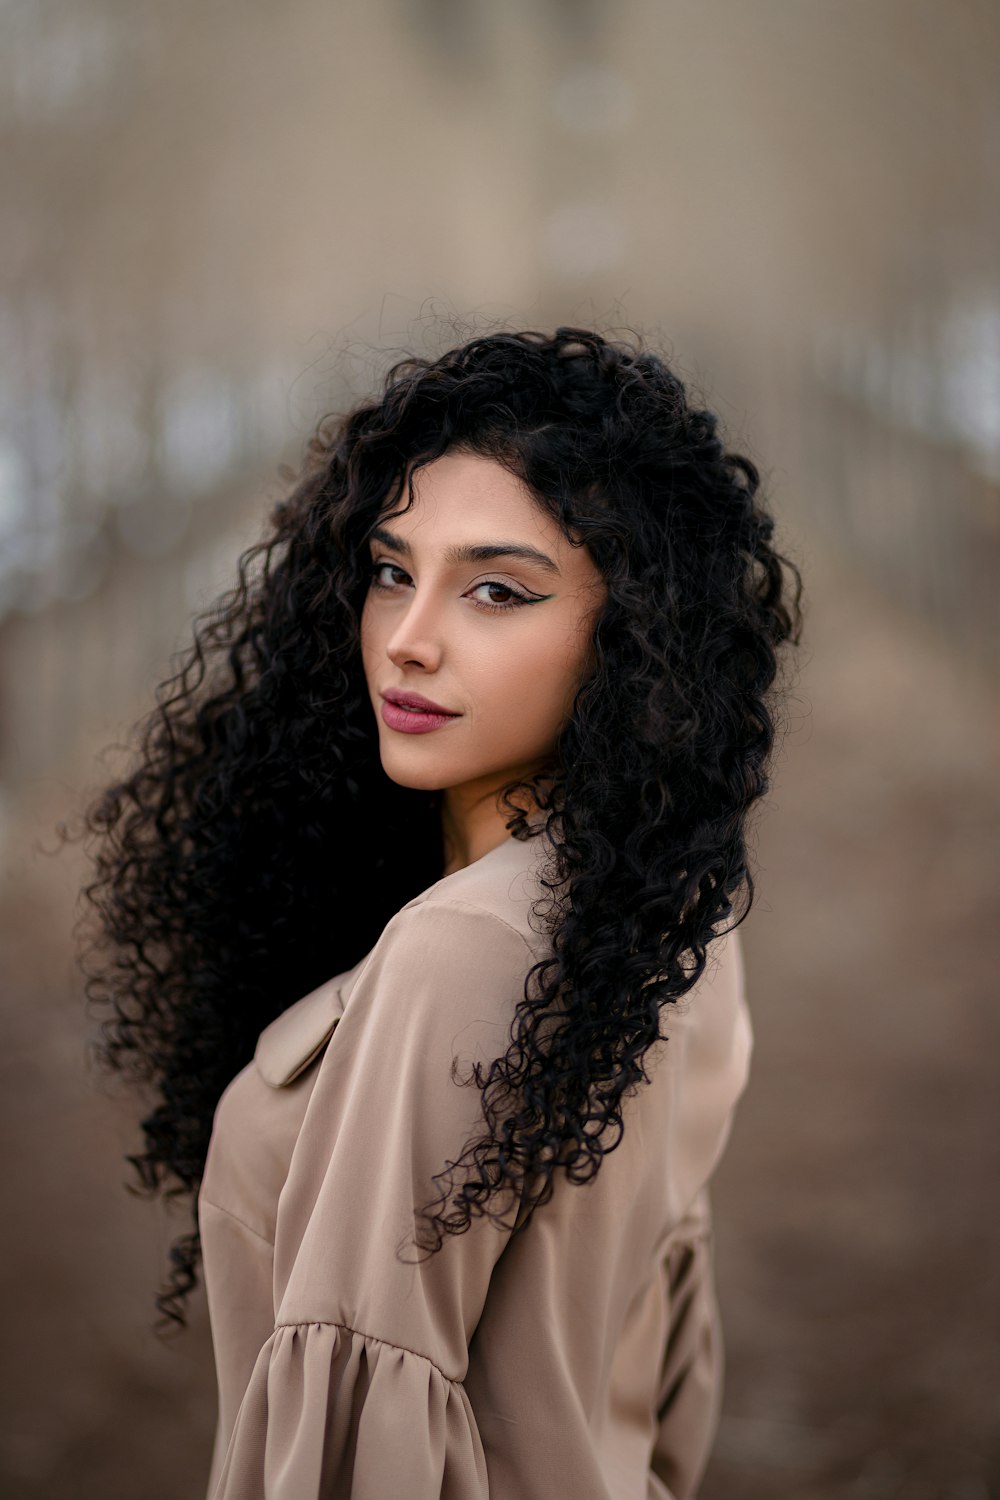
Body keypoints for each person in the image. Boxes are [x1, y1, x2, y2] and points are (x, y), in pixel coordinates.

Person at [76, 325, 803, 1498]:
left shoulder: (468, 949)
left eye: (497, 591)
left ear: (630, 639)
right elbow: (659, 1378)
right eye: (390, 570)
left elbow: (358, 1452)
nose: (407, 642)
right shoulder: (667, 907)